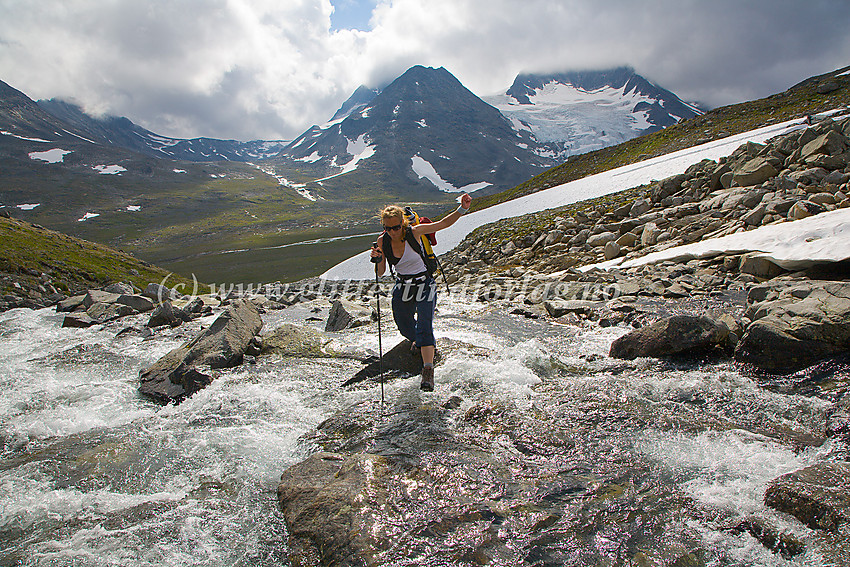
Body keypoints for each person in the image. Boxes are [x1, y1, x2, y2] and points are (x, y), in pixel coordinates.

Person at [370, 193, 472, 391]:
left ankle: (428, 370)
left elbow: (442, 224)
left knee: (425, 323)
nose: (392, 232)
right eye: (387, 228)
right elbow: (380, 272)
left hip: (424, 283)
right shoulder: (382, 241)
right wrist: (377, 258)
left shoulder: (415, 232)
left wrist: (463, 209)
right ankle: (423, 342)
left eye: (396, 227)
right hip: (403, 285)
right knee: (403, 323)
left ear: (403, 224)